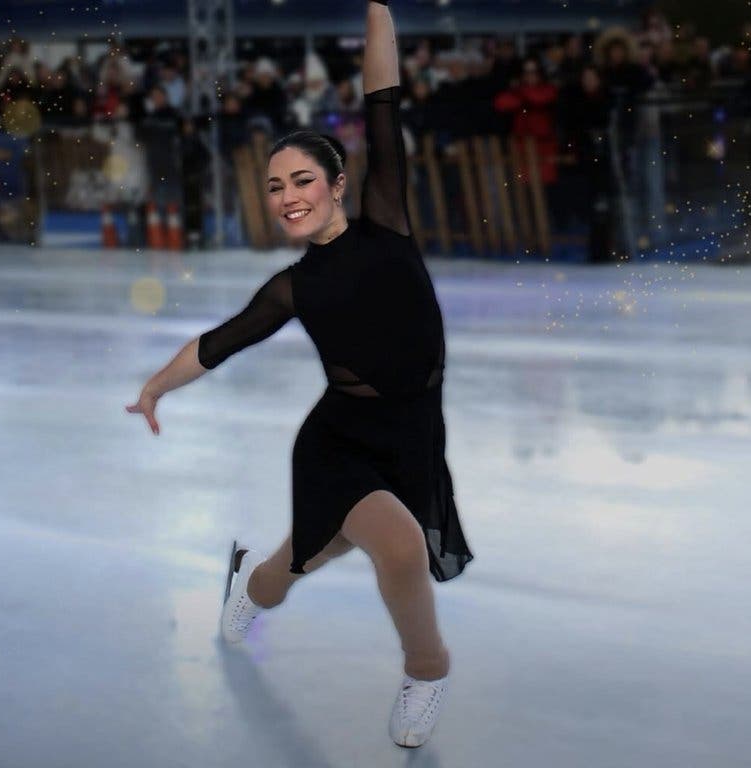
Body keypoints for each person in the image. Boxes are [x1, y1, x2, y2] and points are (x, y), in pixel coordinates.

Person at [126, 0, 473, 749]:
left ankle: (251, 577)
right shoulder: (293, 286)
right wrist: (155, 387)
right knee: (402, 549)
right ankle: (428, 669)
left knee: (294, 567)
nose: (287, 196)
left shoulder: (388, 218)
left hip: (412, 430)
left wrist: (379, 10)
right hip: (339, 442)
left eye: (302, 179)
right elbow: (217, 344)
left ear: (338, 181)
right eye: (276, 186)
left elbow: (382, 91)